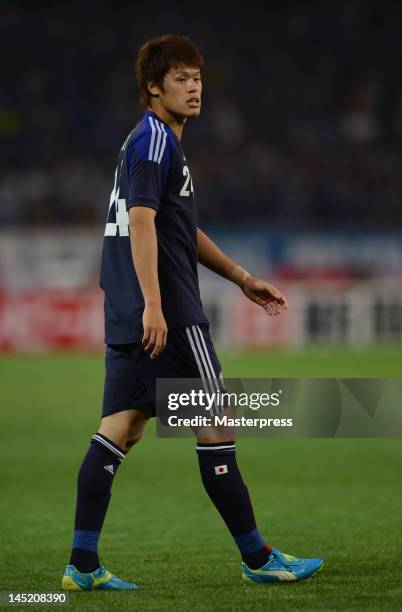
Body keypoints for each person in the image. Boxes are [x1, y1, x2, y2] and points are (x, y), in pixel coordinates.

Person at [62, 34, 323, 591]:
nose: (194, 86)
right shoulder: (156, 142)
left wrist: (241, 277)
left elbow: (176, 228)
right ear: (153, 88)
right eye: (180, 78)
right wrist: (157, 305)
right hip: (171, 310)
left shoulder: (149, 143)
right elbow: (140, 223)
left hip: (129, 310)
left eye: (197, 77)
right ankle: (258, 558)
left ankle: (81, 565)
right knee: (216, 419)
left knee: (123, 428)